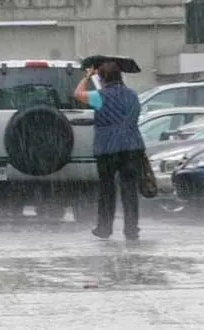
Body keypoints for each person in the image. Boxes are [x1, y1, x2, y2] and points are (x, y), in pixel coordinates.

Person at [73, 61, 145, 240]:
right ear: (120, 77)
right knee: (130, 189)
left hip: (107, 148)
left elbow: (77, 94)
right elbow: (133, 114)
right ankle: (131, 229)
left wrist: (87, 76)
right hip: (132, 146)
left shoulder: (99, 96)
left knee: (107, 189)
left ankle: (104, 228)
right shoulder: (132, 95)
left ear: (102, 79)